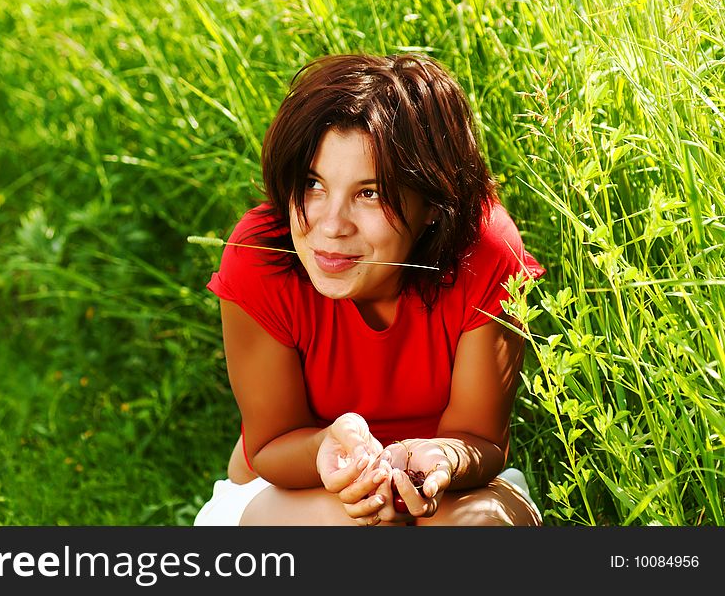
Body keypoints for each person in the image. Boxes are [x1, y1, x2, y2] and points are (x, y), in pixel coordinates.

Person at [194, 53, 545, 526]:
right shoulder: (260, 254)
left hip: (452, 492)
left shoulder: (485, 251)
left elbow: (481, 439)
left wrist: (439, 459)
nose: (331, 225)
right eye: (313, 184)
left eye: (370, 193)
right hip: (292, 486)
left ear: (434, 203)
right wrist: (325, 449)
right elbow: (270, 446)